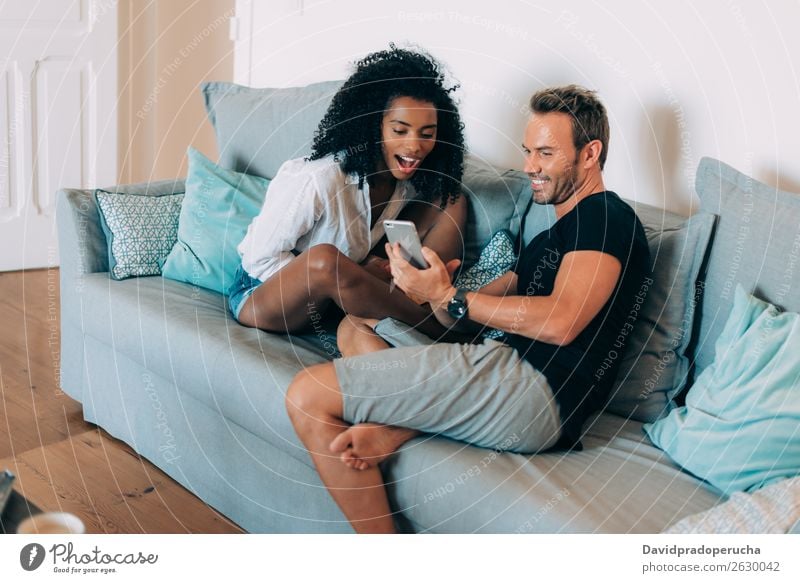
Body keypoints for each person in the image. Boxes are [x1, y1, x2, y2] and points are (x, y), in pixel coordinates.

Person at [285, 85, 651, 533]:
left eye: (546, 153)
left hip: (533, 388)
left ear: (590, 153)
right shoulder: (548, 239)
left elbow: (562, 322)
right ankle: (404, 421)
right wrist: (431, 286)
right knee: (356, 325)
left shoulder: (606, 217)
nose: (529, 166)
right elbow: (466, 317)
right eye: (527, 151)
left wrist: (449, 296)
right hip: (496, 365)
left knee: (305, 397)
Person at [229, 46, 467, 334]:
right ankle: (443, 331)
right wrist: (347, 276)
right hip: (262, 294)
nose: (414, 146)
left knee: (450, 199)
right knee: (325, 259)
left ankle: (428, 293)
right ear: (373, 126)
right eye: (400, 131)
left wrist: (362, 270)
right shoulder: (318, 179)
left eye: (427, 134)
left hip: (346, 283)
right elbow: (259, 259)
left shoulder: (407, 180)